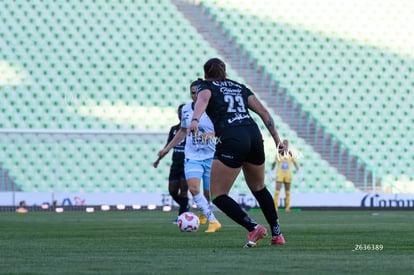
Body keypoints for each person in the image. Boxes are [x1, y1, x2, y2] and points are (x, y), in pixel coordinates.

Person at [188, 57, 286, 248]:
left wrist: (195, 120)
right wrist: (277, 140)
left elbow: (203, 99)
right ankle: (277, 234)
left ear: (206, 73)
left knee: (217, 194)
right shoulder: (239, 87)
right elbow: (264, 113)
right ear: (225, 71)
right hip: (253, 134)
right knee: (259, 187)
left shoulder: (204, 85)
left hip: (232, 137)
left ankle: (253, 227)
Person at [158, 79, 222, 233]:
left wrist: (212, 135)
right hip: (192, 155)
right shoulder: (187, 109)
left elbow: (223, 130)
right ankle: (213, 222)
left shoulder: (214, 109)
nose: (195, 96)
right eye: (192, 93)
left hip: (210, 156)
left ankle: (203, 211)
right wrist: (167, 148)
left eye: (198, 93)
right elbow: (182, 130)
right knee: (194, 189)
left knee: (208, 193)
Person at [153, 104, 189, 223]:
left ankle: (182, 215)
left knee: (184, 190)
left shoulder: (192, 128)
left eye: (183, 112)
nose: (181, 114)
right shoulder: (174, 129)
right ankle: (185, 207)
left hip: (187, 164)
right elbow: (167, 146)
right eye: (179, 112)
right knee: (172, 191)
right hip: (176, 164)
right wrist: (158, 160)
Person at [271, 139, 300, 213]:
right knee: (277, 191)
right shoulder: (279, 153)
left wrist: (299, 172)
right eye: (284, 144)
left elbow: (295, 163)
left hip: (288, 175)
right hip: (279, 174)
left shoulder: (290, 153)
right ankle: (275, 208)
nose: (285, 145)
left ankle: (287, 208)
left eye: (286, 144)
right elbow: (274, 163)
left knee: (287, 191)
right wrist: (271, 173)